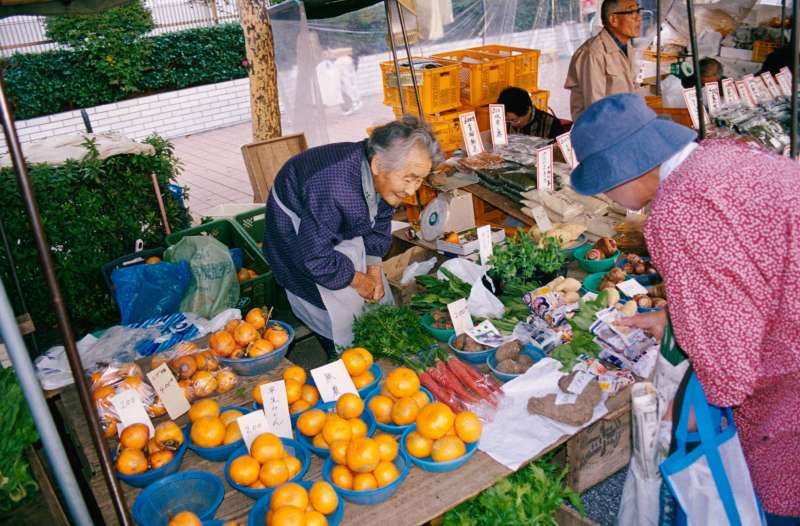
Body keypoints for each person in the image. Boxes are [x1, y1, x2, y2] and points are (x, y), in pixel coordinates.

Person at [569, 93, 800, 523]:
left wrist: (679, 416)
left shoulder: (679, 210)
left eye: (606, 181)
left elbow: (730, 369)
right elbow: (749, 274)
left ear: (630, 166)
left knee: (773, 494)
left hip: (788, 391)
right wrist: (678, 322)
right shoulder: (721, 157)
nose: (608, 194)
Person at [263, 117, 442, 358]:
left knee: (372, 292)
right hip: (297, 231)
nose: (411, 190)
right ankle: (334, 352)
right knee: (331, 306)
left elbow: (381, 217)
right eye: (408, 178)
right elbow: (316, 257)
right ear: (378, 165)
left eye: (419, 180)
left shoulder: (380, 173)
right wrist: (358, 280)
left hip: (329, 220)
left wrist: (374, 269)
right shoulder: (335, 189)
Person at [564, 0, 641, 120]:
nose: (639, 18)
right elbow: (596, 110)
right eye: (631, 12)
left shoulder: (628, 47)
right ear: (613, 20)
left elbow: (633, 93)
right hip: (601, 131)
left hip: (625, 125)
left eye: (638, 11)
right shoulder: (593, 54)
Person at [496, 87, 568, 139]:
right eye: (507, 120)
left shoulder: (552, 125)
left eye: (514, 120)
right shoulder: (503, 121)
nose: (512, 124)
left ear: (528, 110)